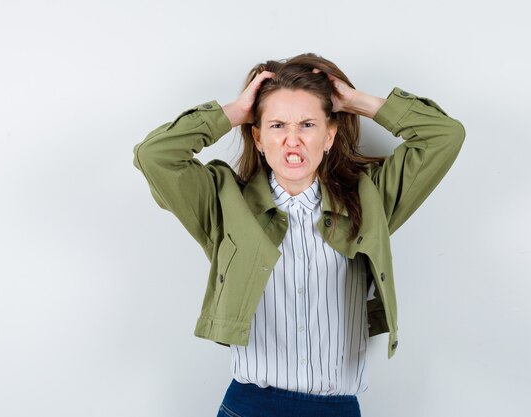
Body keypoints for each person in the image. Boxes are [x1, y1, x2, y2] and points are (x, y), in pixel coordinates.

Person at [132, 52, 465, 417]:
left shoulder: (370, 201)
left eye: (307, 125)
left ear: (329, 135)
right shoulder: (224, 204)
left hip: (338, 408)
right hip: (251, 407)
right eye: (277, 126)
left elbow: (444, 136)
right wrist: (234, 112)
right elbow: (155, 155)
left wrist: (354, 101)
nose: (293, 140)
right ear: (258, 138)